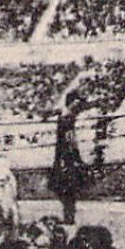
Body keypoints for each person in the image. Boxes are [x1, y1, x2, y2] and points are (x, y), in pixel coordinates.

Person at [48, 84, 90, 225]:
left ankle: (69, 216)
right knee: (69, 190)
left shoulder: (64, 116)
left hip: (62, 157)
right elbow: (70, 139)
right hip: (66, 158)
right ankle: (69, 217)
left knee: (67, 191)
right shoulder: (67, 118)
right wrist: (77, 158)